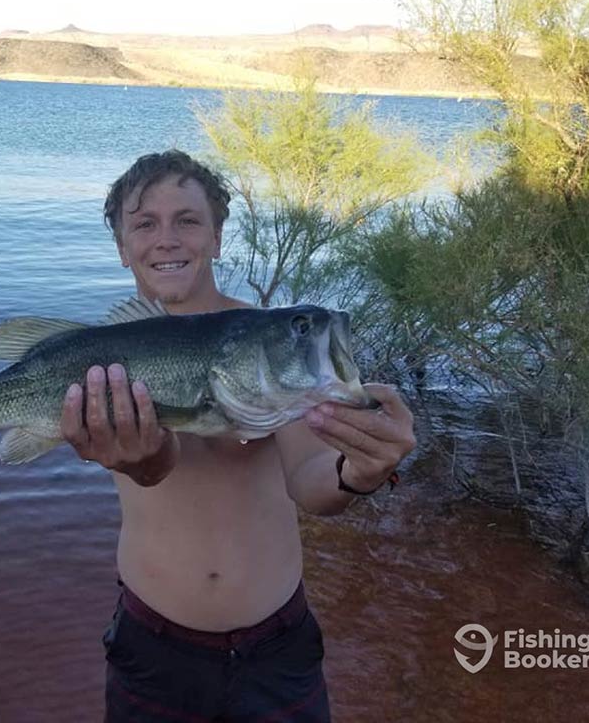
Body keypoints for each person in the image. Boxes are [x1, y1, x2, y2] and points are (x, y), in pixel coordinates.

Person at [60, 150, 416, 722]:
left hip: (277, 650)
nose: (167, 239)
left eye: (189, 220)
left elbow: (312, 485)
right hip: (151, 648)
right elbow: (152, 470)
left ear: (219, 238)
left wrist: (360, 472)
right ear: (123, 248)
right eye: (144, 224)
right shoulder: (110, 360)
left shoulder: (272, 350)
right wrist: (140, 459)